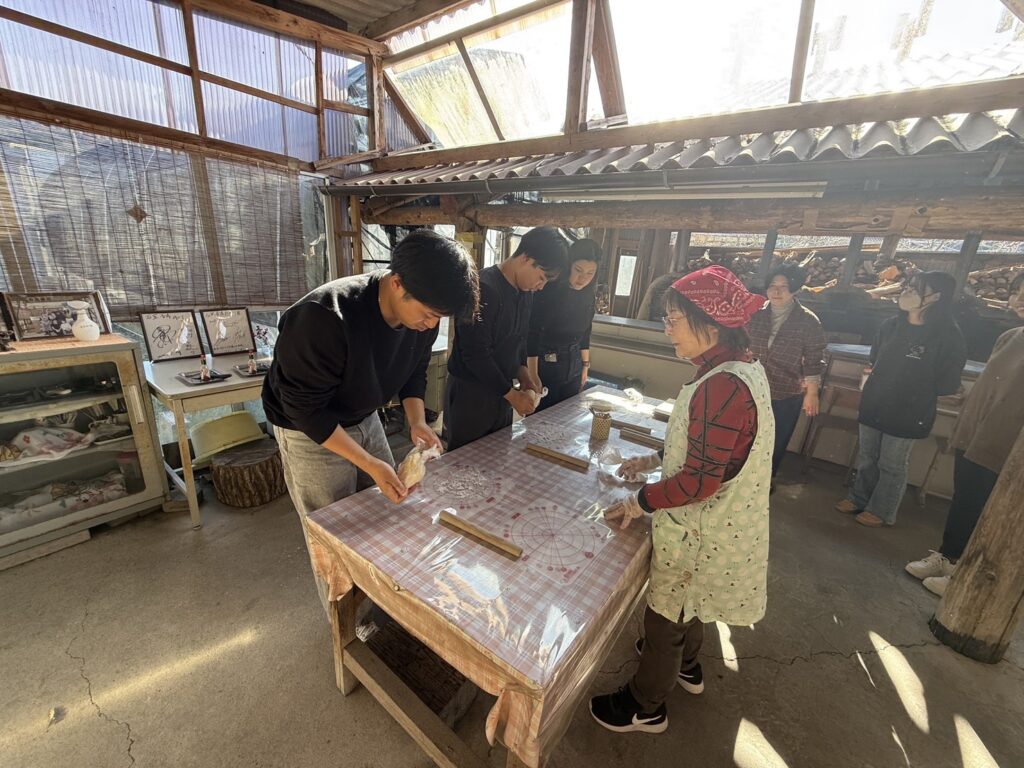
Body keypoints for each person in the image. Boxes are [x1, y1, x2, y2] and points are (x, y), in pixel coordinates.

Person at [589, 265, 774, 734]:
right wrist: (653, 459)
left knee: (665, 616)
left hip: (701, 527)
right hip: (724, 524)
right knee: (694, 601)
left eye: (673, 320)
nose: (667, 329)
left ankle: (645, 705)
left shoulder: (722, 386)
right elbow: (711, 450)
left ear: (710, 322)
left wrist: (639, 501)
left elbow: (698, 482)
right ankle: (687, 665)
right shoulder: (742, 367)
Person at [262, 230, 479, 609]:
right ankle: (342, 620)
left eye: (439, 318)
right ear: (397, 283)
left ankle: (378, 607)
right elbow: (305, 409)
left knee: (388, 509)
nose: (431, 325)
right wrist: (367, 461)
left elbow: (414, 371)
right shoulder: (324, 317)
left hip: (363, 414)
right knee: (335, 531)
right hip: (309, 429)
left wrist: (416, 421)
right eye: (428, 314)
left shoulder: (419, 323)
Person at [905, 272, 1024, 595]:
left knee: (989, 510)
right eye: (1018, 291)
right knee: (964, 501)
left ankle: (966, 575)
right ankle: (948, 557)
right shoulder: (1011, 337)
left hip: (1006, 446)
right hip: (975, 434)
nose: (1021, 298)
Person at [836, 271, 967, 527]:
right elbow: (875, 359)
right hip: (876, 402)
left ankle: (882, 510)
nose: (908, 291)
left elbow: (948, 383)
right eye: (908, 286)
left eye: (917, 288)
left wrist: (915, 387)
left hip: (910, 410)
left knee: (892, 463)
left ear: (936, 297)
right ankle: (858, 498)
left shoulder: (948, 335)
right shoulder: (891, 326)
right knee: (867, 456)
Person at [444, 227, 568, 450]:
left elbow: (518, 339)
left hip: (501, 390)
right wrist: (513, 396)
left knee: (499, 454)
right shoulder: (484, 288)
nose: (541, 287)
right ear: (526, 258)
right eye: (541, 278)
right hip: (471, 394)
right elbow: (475, 355)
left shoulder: (524, 292)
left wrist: (524, 374)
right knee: (465, 461)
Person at [748, 264, 827, 482]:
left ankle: (764, 482)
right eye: (772, 285)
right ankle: (740, 482)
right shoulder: (754, 313)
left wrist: (812, 393)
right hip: (751, 388)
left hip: (785, 392)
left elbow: (814, 359)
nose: (777, 291)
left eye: (783, 286)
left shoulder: (808, 320)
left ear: (795, 288)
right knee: (745, 437)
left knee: (774, 440)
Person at [526, 238, 601, 411]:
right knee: (542, 419)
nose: (583, 278)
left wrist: (585, 366)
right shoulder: (548, 290)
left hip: (574, 363)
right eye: (578, 270)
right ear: (569, 265)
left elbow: (585, 332)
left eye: (590, 273)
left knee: (569, 415)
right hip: (547, 363)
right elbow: (533, 333)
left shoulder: (588, 295)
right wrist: (533, 374)